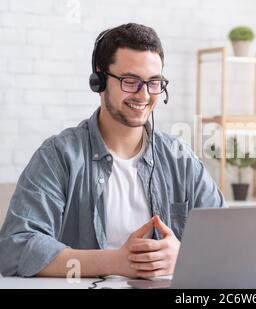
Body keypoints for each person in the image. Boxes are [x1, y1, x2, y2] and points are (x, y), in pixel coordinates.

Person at [0, 23, 225, 278]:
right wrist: (115, 262)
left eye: (154, 83)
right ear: (99, 81)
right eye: (130, 81)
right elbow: (14, 248)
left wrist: (184, 256)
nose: (144, 95)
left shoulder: (180, 158)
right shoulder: (59, 156)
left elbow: (227, 239)